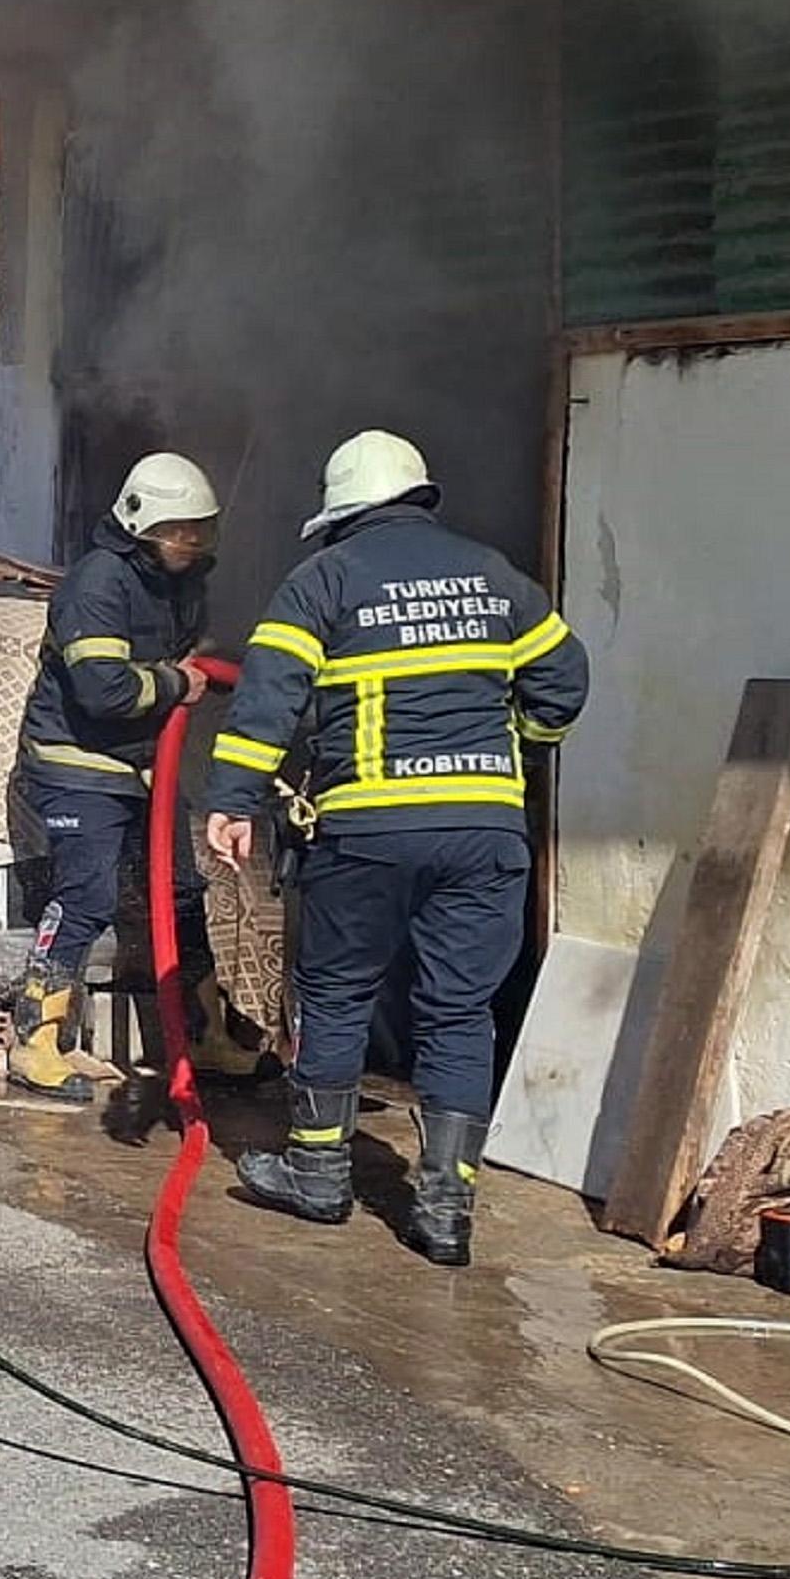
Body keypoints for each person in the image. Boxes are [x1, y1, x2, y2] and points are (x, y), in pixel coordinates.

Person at [200, 430, 588, 1266]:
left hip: (367, 833)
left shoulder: (323, 580)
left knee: (337, 993)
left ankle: (318, 1174)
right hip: (484, 834)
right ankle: (446, 1209)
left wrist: (233, 800)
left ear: (340, 516)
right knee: (459, 1011)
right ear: (419, 498)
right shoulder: (496, 576)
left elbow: (269, 698)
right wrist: (516, 749)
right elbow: (565, 682)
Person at [8, 451, 237, 1101]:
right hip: (79, 765)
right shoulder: (98, 583)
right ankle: (35, 1040)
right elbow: (102, 688)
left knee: (183, 895)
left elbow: (183, 659)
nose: (191, 541)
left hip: (145, 769)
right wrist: (178, 684)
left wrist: (203, 671)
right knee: (87, 896)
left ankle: (205, 1035)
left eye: (199, 529)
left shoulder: (179, 584)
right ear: (142, 525)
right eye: (179, 530)